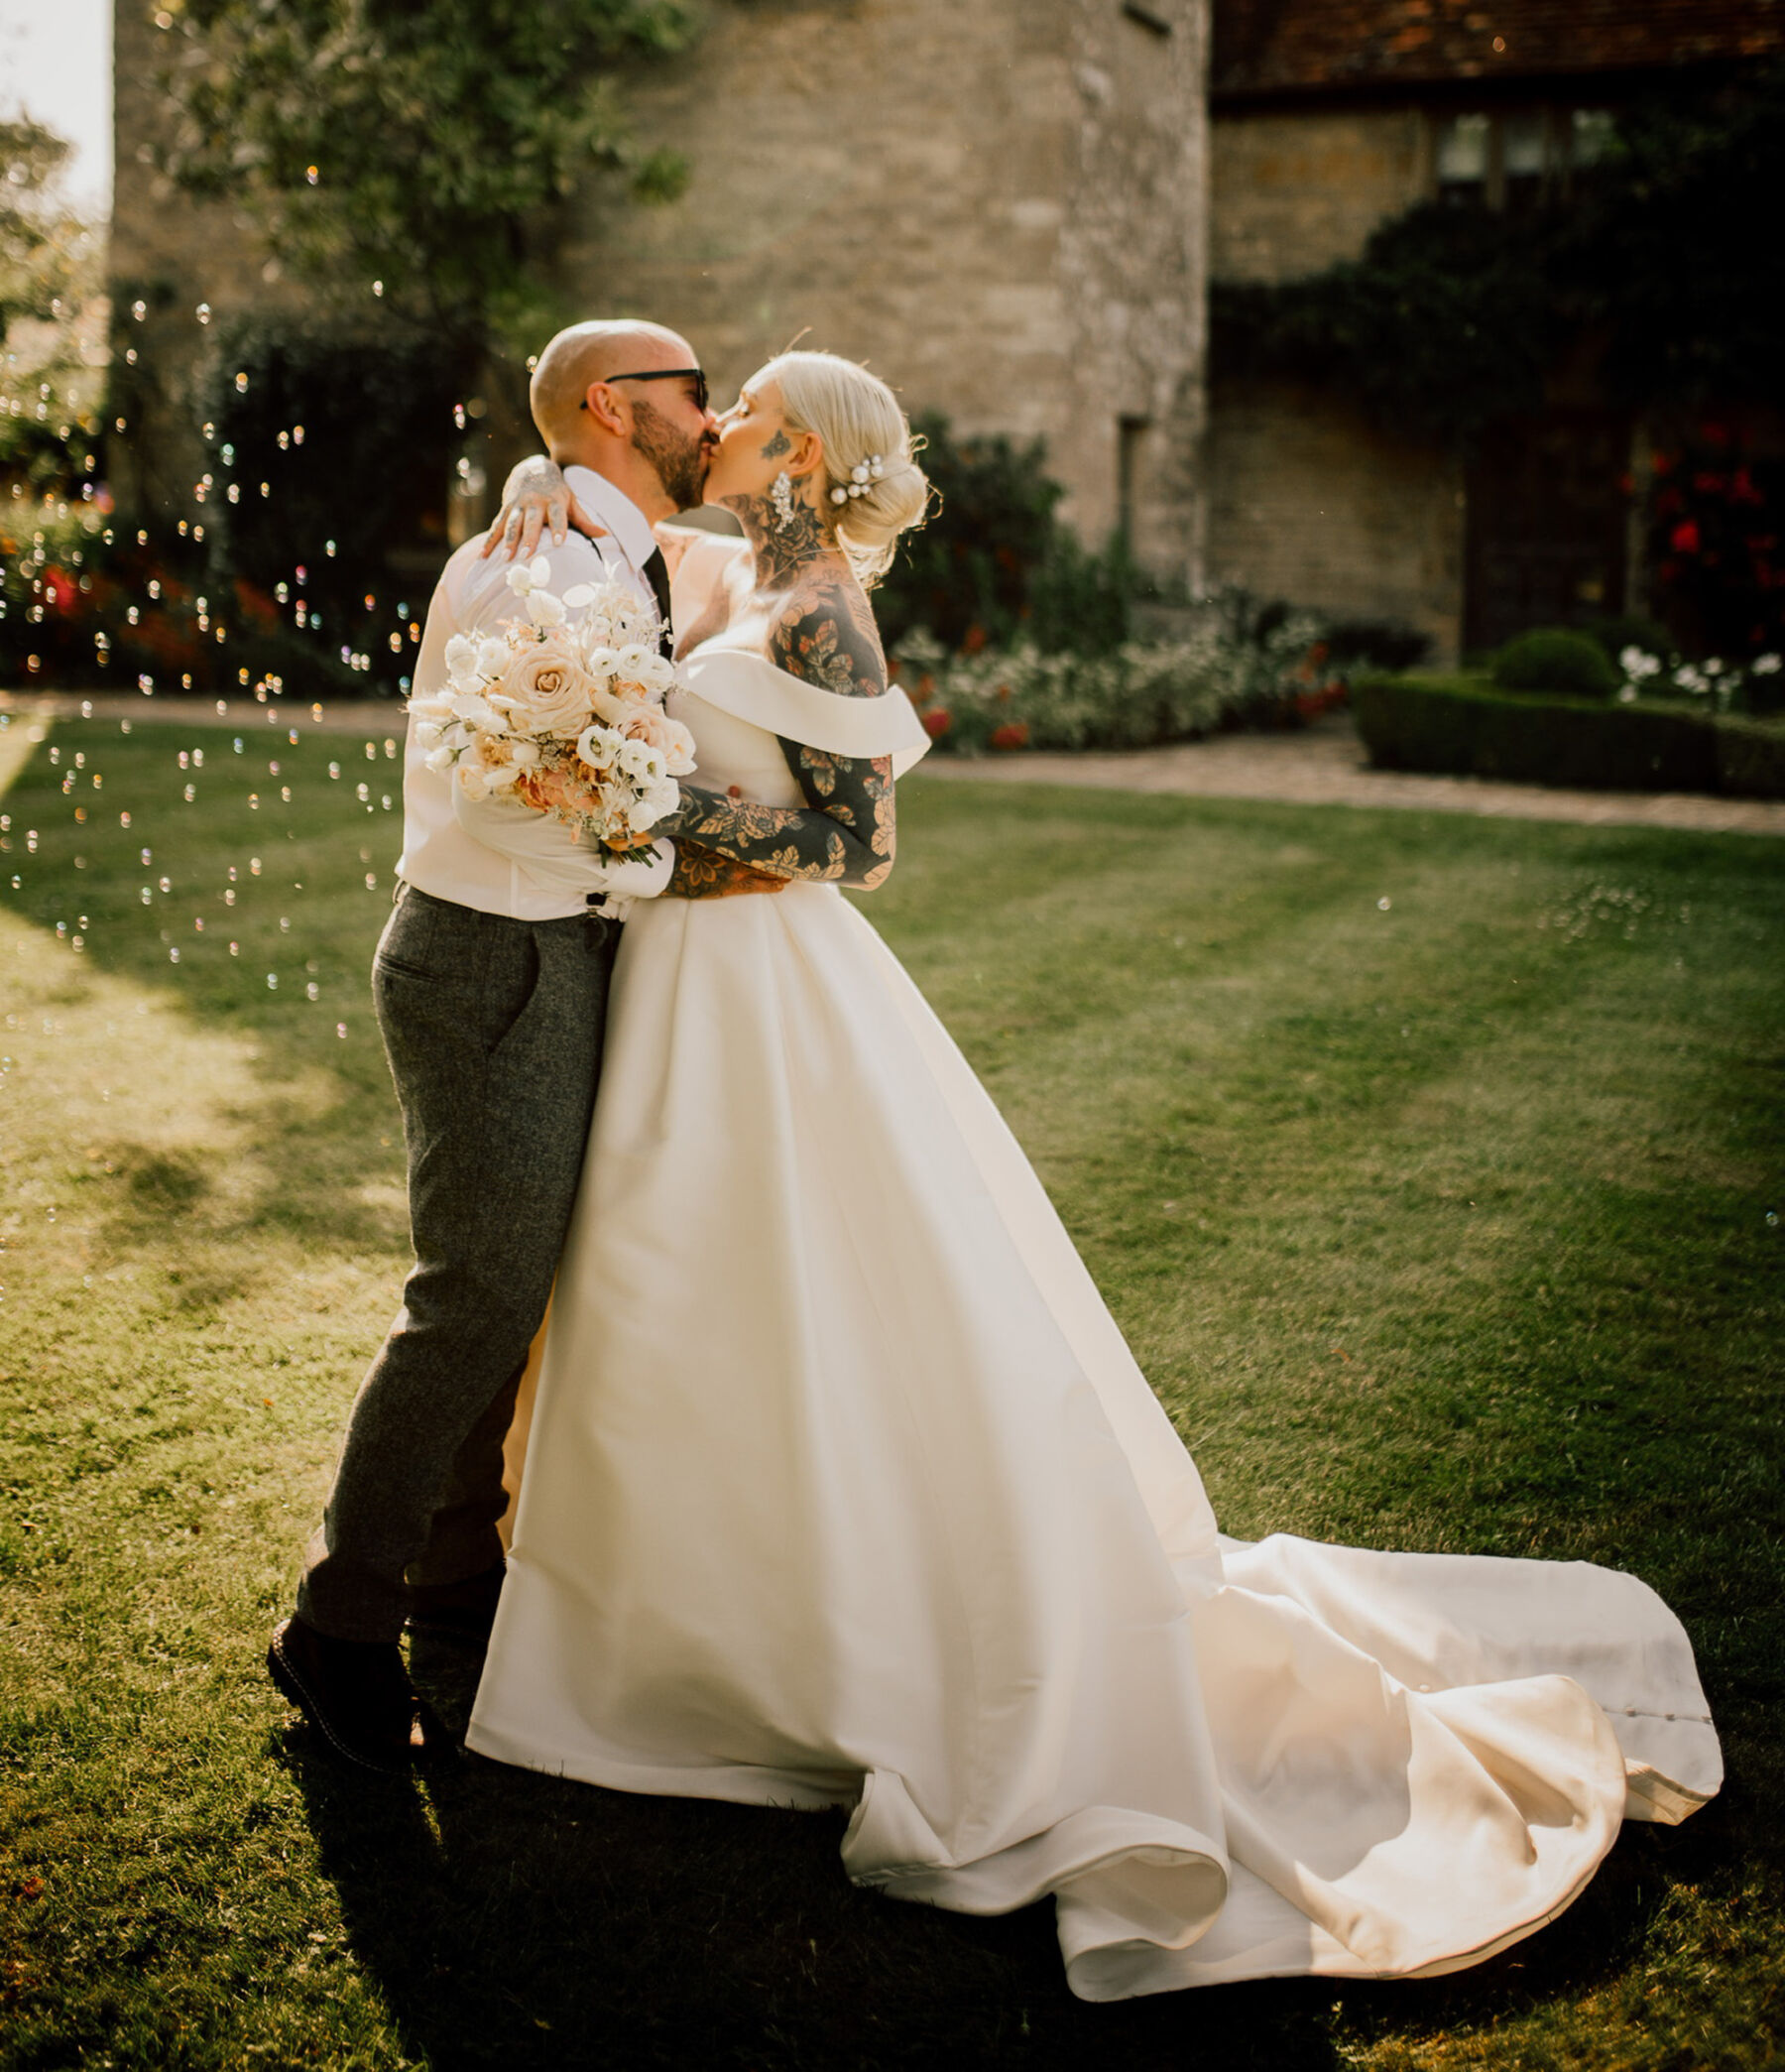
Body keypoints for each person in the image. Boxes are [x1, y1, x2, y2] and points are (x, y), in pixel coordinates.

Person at [457, 350, 1720, 2004]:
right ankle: (681, 1629)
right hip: (698, 1003)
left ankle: (812, 1647)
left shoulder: (824, 603)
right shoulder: (723, 566)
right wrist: (537, 488)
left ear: (801, 451)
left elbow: (858, 844)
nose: (719, 425)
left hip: (772, 995)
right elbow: (613, 544)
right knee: (682, 1293)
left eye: (747, 409)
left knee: (807, 1289)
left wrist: (658, 828)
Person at [268, 319, 777, 1774]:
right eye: (695, 390)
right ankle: (338, 1628)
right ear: (618, 408)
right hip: (496, 953)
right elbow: (501, 801)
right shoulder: (539, 564)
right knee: (474, 1294)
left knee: (516, 1282)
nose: (715, 410)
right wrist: (655, 850)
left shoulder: (606, 544)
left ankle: (449, 1571)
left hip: (552, 949)